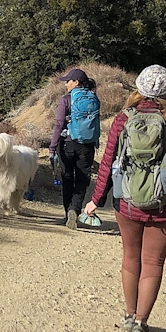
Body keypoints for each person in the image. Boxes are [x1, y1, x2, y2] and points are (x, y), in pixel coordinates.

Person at [82, 64, 166, 332]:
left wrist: (95, 200)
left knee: (130, 257)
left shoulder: (123, 120)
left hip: (127, 202)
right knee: (153, 262)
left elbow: (108, 164)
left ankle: (129, 315)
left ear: (139, 89)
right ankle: (141, 322)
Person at [49, 67, 101, 230]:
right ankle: (75, 209)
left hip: (67, 144)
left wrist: (52, 146)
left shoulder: (66, 99)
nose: (66, 85)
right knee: (82, 180)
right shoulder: (94, 98)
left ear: (76, 82)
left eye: (68, 81)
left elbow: (59, 124)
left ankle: (67, 214)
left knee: (67, 179)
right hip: (87, 145)